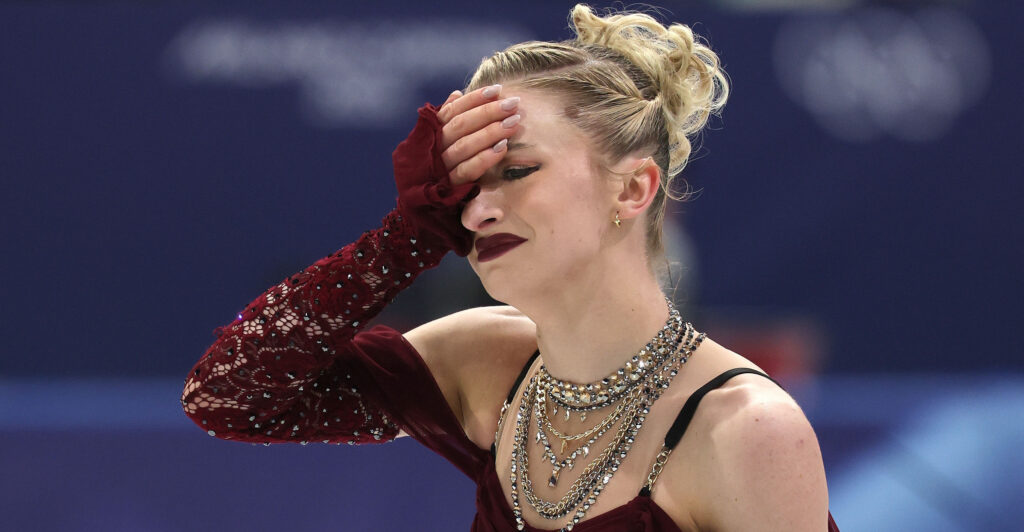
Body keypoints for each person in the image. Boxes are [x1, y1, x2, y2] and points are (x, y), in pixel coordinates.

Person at [182, 5, 840, 531]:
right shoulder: (484, 363)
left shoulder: (745, 429)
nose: (475, 212)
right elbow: (228, 400)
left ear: (633, 190)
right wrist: (402, 239)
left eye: (518, 171)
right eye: (463, 183)